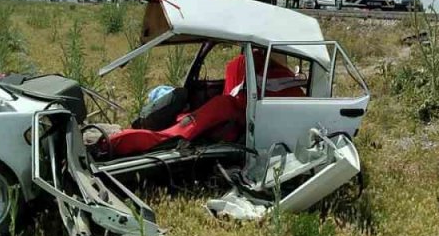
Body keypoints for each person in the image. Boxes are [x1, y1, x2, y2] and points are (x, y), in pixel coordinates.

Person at [105, 48, 304, 157]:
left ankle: (114, 141)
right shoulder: (289, 86)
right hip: (234, 118)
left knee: (169, 134)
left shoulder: (235, 91)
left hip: (234, 121)